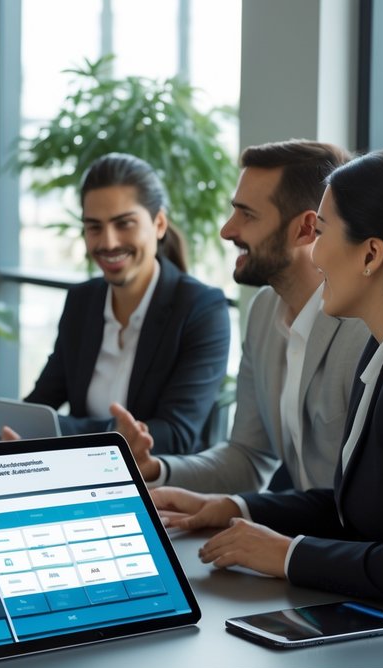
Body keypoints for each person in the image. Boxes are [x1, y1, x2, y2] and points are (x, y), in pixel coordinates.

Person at [156, 150, 383, 612]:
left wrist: (288, 555)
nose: (314, 252)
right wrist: (234, 506)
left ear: (371, 254)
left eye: (324, 232)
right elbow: (358, 507)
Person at [113, 141, 368, 493]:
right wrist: (155, 469)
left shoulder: (365, 329)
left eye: (247, 215)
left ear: (306, 229)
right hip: (298, 534)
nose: (227, 230)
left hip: (339, 544)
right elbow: (248, 458)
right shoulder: (264, 310)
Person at [12, 153, 229, 454]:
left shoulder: (201, 308)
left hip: (159, 487)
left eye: (124, 224)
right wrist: (13, 428)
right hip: (80, 476)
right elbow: (40, 405)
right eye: (94, 227)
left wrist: (57, 432)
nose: (108, 243)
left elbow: (175, 435)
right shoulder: (82, 301)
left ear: (160, 224)